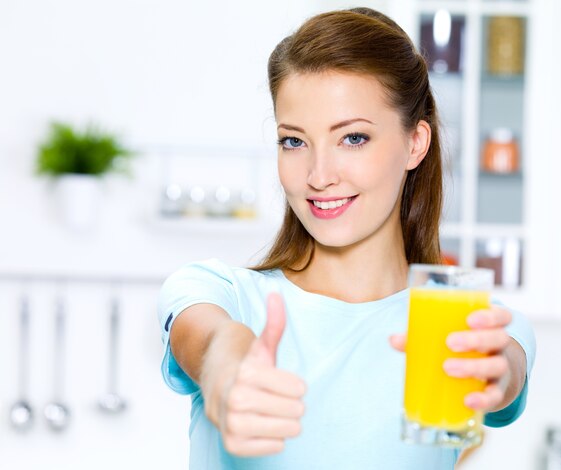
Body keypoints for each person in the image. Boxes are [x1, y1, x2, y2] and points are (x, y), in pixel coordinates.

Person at [158, 7, 536, 470]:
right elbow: (211, 341)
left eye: (353, 138)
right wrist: (227, 371)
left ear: (416, 143)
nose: (319, 176)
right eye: (294, 141)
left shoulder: (460, 326)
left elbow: (505, 371)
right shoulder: (219, 294)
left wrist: (496, 375)